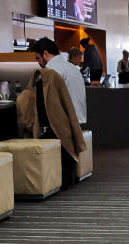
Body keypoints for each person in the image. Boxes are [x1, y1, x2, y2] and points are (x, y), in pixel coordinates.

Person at [26, 37, 88, 187]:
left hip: (65, 125)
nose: (38, 63)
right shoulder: (72, 67)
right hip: (79, 120)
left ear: (46, 54)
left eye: (38, 58)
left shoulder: (51, 71)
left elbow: (49, 104)